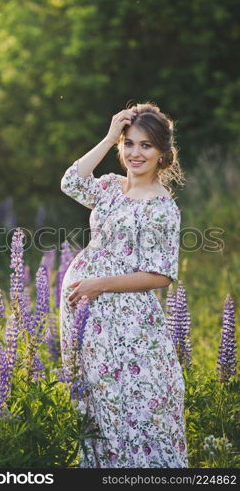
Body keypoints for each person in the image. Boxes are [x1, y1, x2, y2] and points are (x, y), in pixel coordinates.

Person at [59, 101, 188, 468]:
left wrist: (99, 284)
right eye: (128, 143)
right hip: (88, 318)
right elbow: (70, 181)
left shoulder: (161, 207)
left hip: (128, 324)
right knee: (98, 406)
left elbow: (160, 275)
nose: (135, 152)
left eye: (146, 145)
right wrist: (108, 134)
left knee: (135, 405)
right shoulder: (110, 188)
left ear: (163, 153)